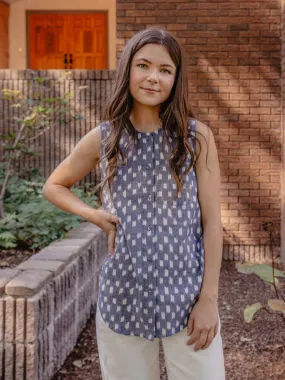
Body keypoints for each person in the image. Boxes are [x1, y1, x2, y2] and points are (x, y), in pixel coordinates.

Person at [42, 27, 225, 380]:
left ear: (176, 78)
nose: (153, 77)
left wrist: (209, 300)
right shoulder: (105, 138)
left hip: (187, 299)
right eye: (143, 65)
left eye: (165, 70)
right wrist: (93, 214)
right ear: (128, 69)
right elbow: (54, 185)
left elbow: (212, 222)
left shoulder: (196, 138)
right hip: (122, 297)